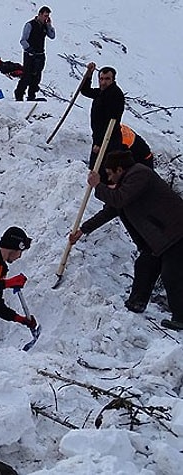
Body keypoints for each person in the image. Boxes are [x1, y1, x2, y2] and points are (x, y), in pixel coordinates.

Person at [86, 150, 183, 330]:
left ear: (120, 169)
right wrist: (84, 230)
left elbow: (119, 200)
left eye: (109, 174)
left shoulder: (139, 174)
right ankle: (136, 303)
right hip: (159, 239)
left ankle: (181, 317)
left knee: (172, 275)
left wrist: (98, 186)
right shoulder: (127, 184)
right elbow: (112, 209)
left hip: (175, 232)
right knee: (145, 264)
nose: (110, 179)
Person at [80, 63, 125, 181]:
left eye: (107, 79)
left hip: (109, 140)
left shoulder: (115, 95)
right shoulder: (102, 92)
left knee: (105, 172)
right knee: (96, 169)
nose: (103, 82)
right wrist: (89, 74)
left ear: (113, 79)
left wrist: (100, 143)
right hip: (100, 137)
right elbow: (85, 91)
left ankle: (105, 195)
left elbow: (111, 123)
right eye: (101, 79)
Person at [14, 6, 55, 102]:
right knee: (27, 75)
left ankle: (31, 96)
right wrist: (29, 49)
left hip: (40, 54)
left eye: (47, 16)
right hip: (30, 54)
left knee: (37, 77)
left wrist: (49, 25)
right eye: (45, 16)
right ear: (39, 14)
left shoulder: (45, 26)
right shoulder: (30, 25)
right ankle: (19, 94)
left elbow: (52, 36)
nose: (46, 18)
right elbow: (23, 40)